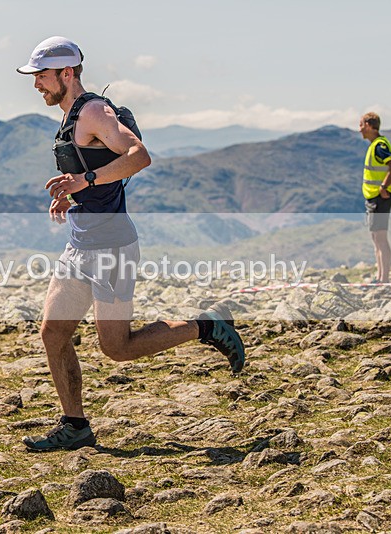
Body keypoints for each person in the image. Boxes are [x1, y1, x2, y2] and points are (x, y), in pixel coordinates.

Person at [16, 36, 246, 451]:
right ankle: (75, 426)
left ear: (67, 74)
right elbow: (103, 169)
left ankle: (208, 326)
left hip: (111, 248)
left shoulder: (93, 112)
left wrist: (83, 180)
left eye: (42, 76)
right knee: (53, 332)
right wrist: (73, 195)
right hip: (81, 243)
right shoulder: (71, 116)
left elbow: (139, 156)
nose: (36, 85)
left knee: (116, 348)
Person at [359, 112, 391, 284]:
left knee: (380, 238)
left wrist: (384, 187)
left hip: (379, 198)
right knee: (375, 238)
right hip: (373, 199)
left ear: (370, 126)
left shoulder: (379, 145)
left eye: (361, 125)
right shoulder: (378, 145)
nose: (360, 129)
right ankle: (380, 278)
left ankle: (384, 280)